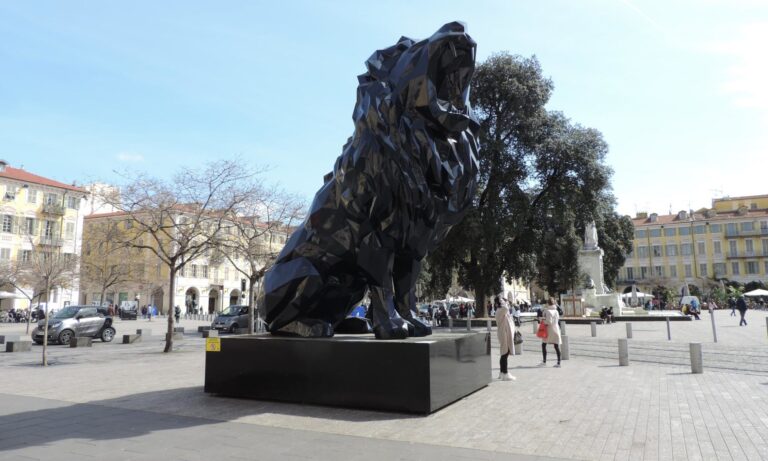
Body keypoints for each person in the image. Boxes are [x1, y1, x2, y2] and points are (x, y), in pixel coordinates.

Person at [494, 297, 516, 381]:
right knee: (505, 353)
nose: (506, 303)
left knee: (504, 353)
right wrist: (503, 301)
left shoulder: (502, 310)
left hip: (505, 333)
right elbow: (506, 308)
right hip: (504, 333)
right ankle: (505, 373)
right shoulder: (501, 310)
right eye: (503, 301)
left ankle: (502, 373)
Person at [538, 298, 562, 368]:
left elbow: (549, 322)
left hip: (549, 330)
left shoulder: (547, 311)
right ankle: (558, 362)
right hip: (556, 329)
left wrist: (542, 320)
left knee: (543, 345)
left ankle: (544, 361)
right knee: (556, 346)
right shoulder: (556, 311)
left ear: (548, 303)